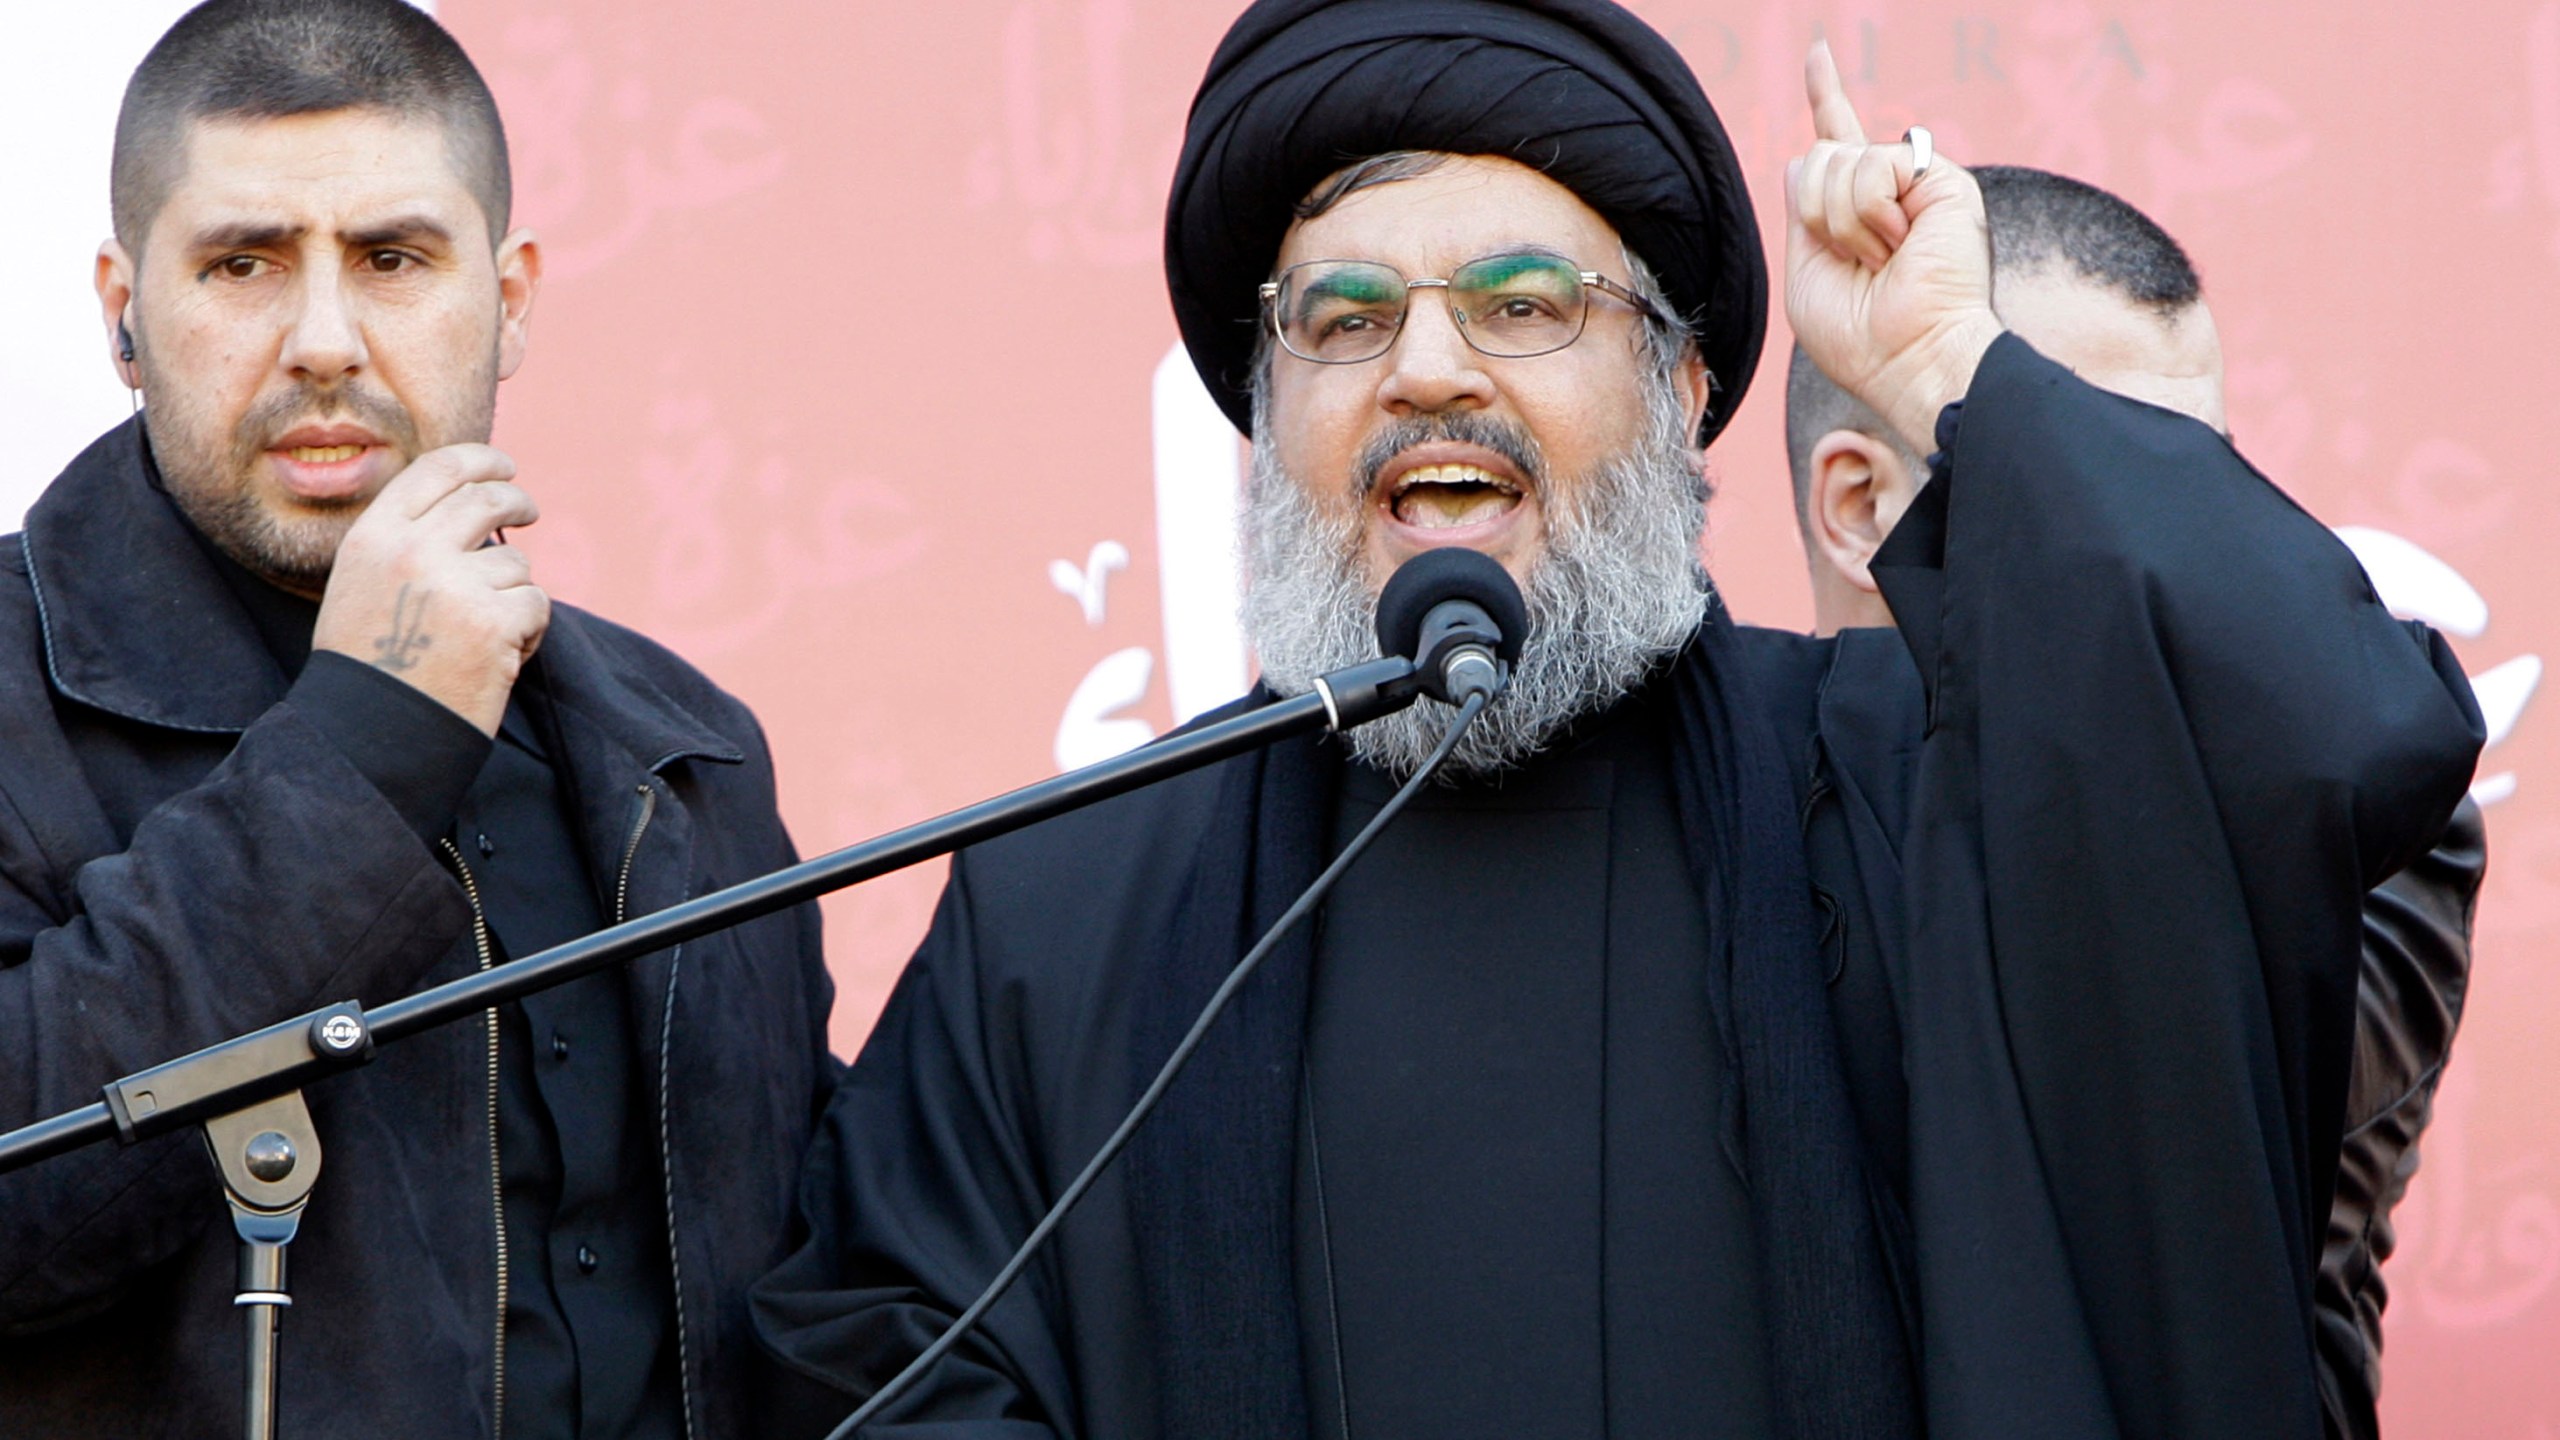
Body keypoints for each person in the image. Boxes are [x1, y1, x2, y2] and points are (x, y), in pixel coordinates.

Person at [751, 4, 2483, 1437]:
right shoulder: (1069, 908)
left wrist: (1958, 366)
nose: (1426, 370)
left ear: (1681, 385)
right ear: (1267, 415)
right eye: (1343, 320)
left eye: (1521, 304)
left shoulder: (1919, 790)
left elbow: (2339, 738)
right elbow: (876, 1369)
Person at [0, 2, 835, 1435]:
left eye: (393, 260)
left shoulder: (684, 749)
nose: (324, 341)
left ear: (509, 300)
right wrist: (367, 748)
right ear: (121, 306)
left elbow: (819, 1281)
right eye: (242, 263)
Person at [1783, 163, 2481, 1440]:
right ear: (1861, 503)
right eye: (2089, 470)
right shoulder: (1723, 804)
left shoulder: (2342, 814)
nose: (2158, 537)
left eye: (2191, 483)